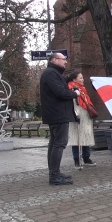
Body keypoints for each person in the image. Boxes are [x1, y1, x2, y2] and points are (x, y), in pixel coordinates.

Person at [40, 53, 80, 185]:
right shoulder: (51, 73)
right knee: (59, 143)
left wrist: (69, 80)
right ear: (55, 60)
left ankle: (54, 173)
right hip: (58, 114)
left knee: (54, 144)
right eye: (63, 60)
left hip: (55, 114)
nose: (66, 62)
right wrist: (75, 94)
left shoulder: (53, 73)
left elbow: (60, 85)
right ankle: (54, 176)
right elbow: (60, 92)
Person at [67, 71, 97, 170]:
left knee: (86, 136)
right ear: (74, 79)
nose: (83, 79)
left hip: (85, 115)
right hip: (77, 115)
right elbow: (73, 102)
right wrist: (76, 114)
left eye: (82, 78)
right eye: (80, 78)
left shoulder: (82, 89)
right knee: (77, 138)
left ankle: (86, 157)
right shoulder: (72, 88)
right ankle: (76, 159)